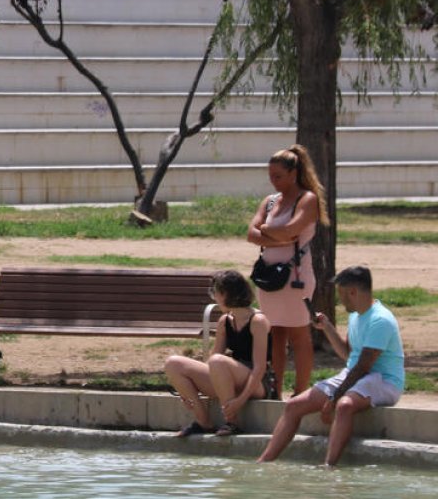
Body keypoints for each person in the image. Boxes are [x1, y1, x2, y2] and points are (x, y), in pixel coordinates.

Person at [258, 266, 405, 466]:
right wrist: (327, 327)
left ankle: (329, 466)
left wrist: (334, 398)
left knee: (344, 406)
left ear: (352, 292)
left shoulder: (380, 320)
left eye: (341, 293)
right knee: (293, 406)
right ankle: (264, 461)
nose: (339, 299)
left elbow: (363, 367)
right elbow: (349, 355)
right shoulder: (356, 315)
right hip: (356, 376)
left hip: (384, 381)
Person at [247, 144, 329, 397]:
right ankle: (276, 389)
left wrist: (268, 232)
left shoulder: (308, 199)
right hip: (270, 277)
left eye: (278, 176)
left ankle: (300, 392)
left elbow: (290, 230)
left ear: (293, 174)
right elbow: (251, 233)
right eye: (270, 176)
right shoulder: (270, 202)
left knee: (298, 334)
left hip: (295, 279)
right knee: (276, 334)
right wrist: (277, 238)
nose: (273, 181)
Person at [164, 270, 273, 437]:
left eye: (216, 293)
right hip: (229, 377)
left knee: (218, 361)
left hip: (257, 382)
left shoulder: (258, 321)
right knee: (173, 363)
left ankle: (232, 422)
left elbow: (259, 368)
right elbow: (210, 365)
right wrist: (189, 390)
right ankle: (203, 421)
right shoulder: (225, 321)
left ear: (228, 294)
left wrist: (240, 401)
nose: (213, 298)